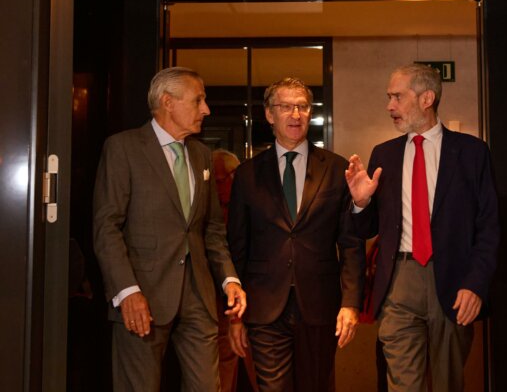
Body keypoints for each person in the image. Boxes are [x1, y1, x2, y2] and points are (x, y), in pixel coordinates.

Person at [345, 64, 499, 392]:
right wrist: (360, 202)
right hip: (398, 282)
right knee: (402, 385)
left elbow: (489, 228)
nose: (390, 106)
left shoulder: (472, 153)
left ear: (427, 98)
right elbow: (367, 229)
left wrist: (475, 284)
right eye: (389, 97)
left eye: (397, 97)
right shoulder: (383, 155)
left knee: (447, 383)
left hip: (455, 282)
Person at [93, 66, 246, 392]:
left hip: (199, 296)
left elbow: (212, 229)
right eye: (198, 100)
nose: (206, 109)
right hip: (143, 295)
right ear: (167, 102)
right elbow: (106, 227)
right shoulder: (123, 148)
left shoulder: (202, 155)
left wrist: (229, 279)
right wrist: (127, 291)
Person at [227, 77, 365, 392]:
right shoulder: (247, 175)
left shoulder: (336, 169)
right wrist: (235, 317)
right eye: (286, 106)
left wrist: (351, 303)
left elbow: (351, 243)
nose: (295, 114)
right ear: (269, 114)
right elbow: (237, 246)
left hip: (320, 304)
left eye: (302, 107)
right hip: (264, 306)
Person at [212, 148, 258, 392]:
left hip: (255, 301)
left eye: (226, 177)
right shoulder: (208, 212)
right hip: (217, 303)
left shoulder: (253, 205)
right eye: (217, 179)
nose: (222, 185)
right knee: (222, 364)